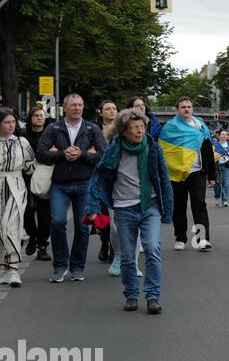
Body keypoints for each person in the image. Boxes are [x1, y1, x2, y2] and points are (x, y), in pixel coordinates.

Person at [86, 108, 172, 313]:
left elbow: (163, 178)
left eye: (142, 127)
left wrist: (168, 209)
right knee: (126, 255)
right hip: (124, 208)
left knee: (152, 248)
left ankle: (152, 296)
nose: (140, 131)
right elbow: (97, 178)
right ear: (124, 131)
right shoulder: (114, 149)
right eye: (134, 127)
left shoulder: (152, 148)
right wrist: (91, 208)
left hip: (149, 205)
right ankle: (131, 294)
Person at [36, 93, 108, 282]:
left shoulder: (91, 128)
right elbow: (41, 153)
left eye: (80, 105)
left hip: (85, 184)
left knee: (83, 227)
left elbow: (103, 155)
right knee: (58, 222)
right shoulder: (54, 128)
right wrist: (62, 154)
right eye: (73, 105)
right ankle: (60, 266)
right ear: (65, 108)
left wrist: (82, 154)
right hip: (59, 184)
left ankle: (77, 267)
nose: (77, 108)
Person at [158, 97, 216, 252]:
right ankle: (180, 237)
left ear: (192, 109)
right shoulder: (170, 128)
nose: (186, 109)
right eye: (183, 107)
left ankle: (202, 239)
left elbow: (208, 150)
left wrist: (212, 175)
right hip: (176, 173)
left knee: (199, 205)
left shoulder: (200, 125)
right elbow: (164, 151)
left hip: (197, 172)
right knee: (179, 206)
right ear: (177, 109)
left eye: (189, 106)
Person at [0, 108, 35, 287]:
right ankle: (5, 269)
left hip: (16, 186)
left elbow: (31, 167)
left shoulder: (22, 142)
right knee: (1, 228)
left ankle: (13, 269)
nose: (11, 125)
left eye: (13, 122)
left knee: (11, 226)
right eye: (7, 122)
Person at [22, 105, 51, 261]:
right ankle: (32, 236)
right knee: (27, 212)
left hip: (45, 178)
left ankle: (42, 246)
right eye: (36, 115)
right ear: (30, 118)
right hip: (25, 178)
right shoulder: (23, 136)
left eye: (42, 115)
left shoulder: (51, 135)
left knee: (45, 215)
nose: (39, 118)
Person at [95, 100, 119, 264]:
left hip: (118, 178)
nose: (111, 111)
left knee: (115, 215)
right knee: (101, 215)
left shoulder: (122, 131)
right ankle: (104, 241)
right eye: (107, 109)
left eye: (114, 109)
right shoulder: (94, 130)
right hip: (98, 178)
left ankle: (113, 247)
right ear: (100, 112)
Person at [213, 129, 229, 207]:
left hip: (227, 166)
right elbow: (212, 156)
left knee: (226, 184)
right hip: (218, 166)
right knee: (218, 183)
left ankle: (225, 200)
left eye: (226, 134)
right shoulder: (215, 145)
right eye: (222, 134)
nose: (224, 136)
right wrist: (219, 155)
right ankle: (217, 196)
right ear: (219, 136)